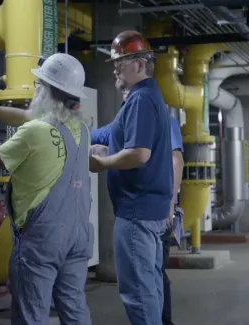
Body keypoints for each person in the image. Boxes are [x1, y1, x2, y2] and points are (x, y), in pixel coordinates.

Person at [0, 53, 93, 324]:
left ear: (48, 92)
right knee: (74, 309)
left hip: (42, 239)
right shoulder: (80, 129)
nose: (35, 88)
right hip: (78, 235)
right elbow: (29, 117)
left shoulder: (34, 132)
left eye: (39, 84)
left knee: (31, 312)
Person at [89, 30, 173, 325]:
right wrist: (78, 137)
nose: (114, 67)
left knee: (137, 292)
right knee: (149, 287)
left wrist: (102, 163)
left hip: (136, 211)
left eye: (120, 62)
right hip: (148, 210)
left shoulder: (140, 100)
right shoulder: (146, 97)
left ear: (139, 64)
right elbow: (113, 133)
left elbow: (139, 154)